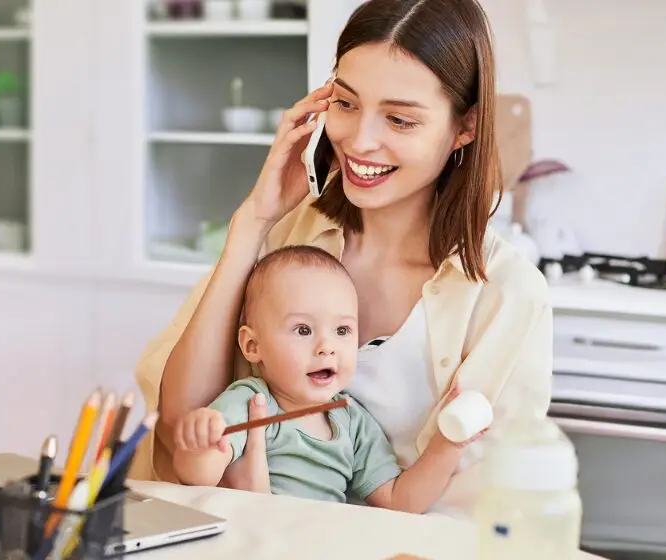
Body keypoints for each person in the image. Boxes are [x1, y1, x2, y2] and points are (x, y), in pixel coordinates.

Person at [131, 0, 552, 518]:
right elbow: (180, 429)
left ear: (465, 126)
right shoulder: (286, 234)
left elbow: (494, 509)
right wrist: (253, 222)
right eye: (346, 104)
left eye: (399, 119)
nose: (359, 140)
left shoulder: (507, 295)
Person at [170, 245, 482, 513]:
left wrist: (447, 446)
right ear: (253, 345)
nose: (326, 347)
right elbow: (200, 477)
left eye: (342, 331)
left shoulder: (352, 422)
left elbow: (399, 501)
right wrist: (199, 446)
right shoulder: (252, 402)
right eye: (303, 330)